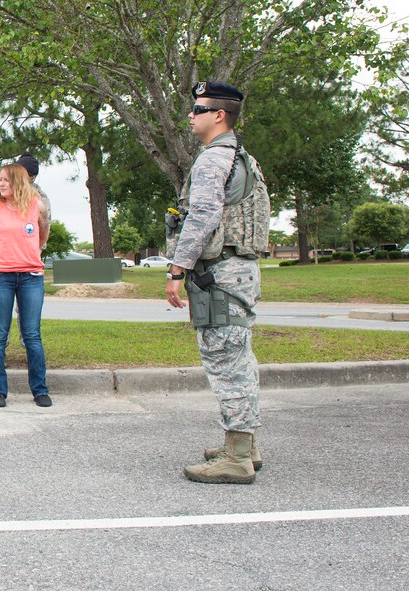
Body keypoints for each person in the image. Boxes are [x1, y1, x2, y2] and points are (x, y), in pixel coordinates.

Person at [165, 81, 270, 484]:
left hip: (220, 275)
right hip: (238, 271)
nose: (191, 116)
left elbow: (203, 216)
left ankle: (237, 459)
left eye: (198, 109)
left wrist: (176, 269)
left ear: (219, 115)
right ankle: (243, 445)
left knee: (227, 364)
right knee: (240, 360)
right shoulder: (243, 157)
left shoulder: (213, 159)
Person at [0, 163, 51, 408]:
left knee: (32, 335)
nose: (1, 184)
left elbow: (44, 232)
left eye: (6, 179)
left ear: (19, 181)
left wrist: (31, 252)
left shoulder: (37, 205)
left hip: (31, 277)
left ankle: (39, 390)